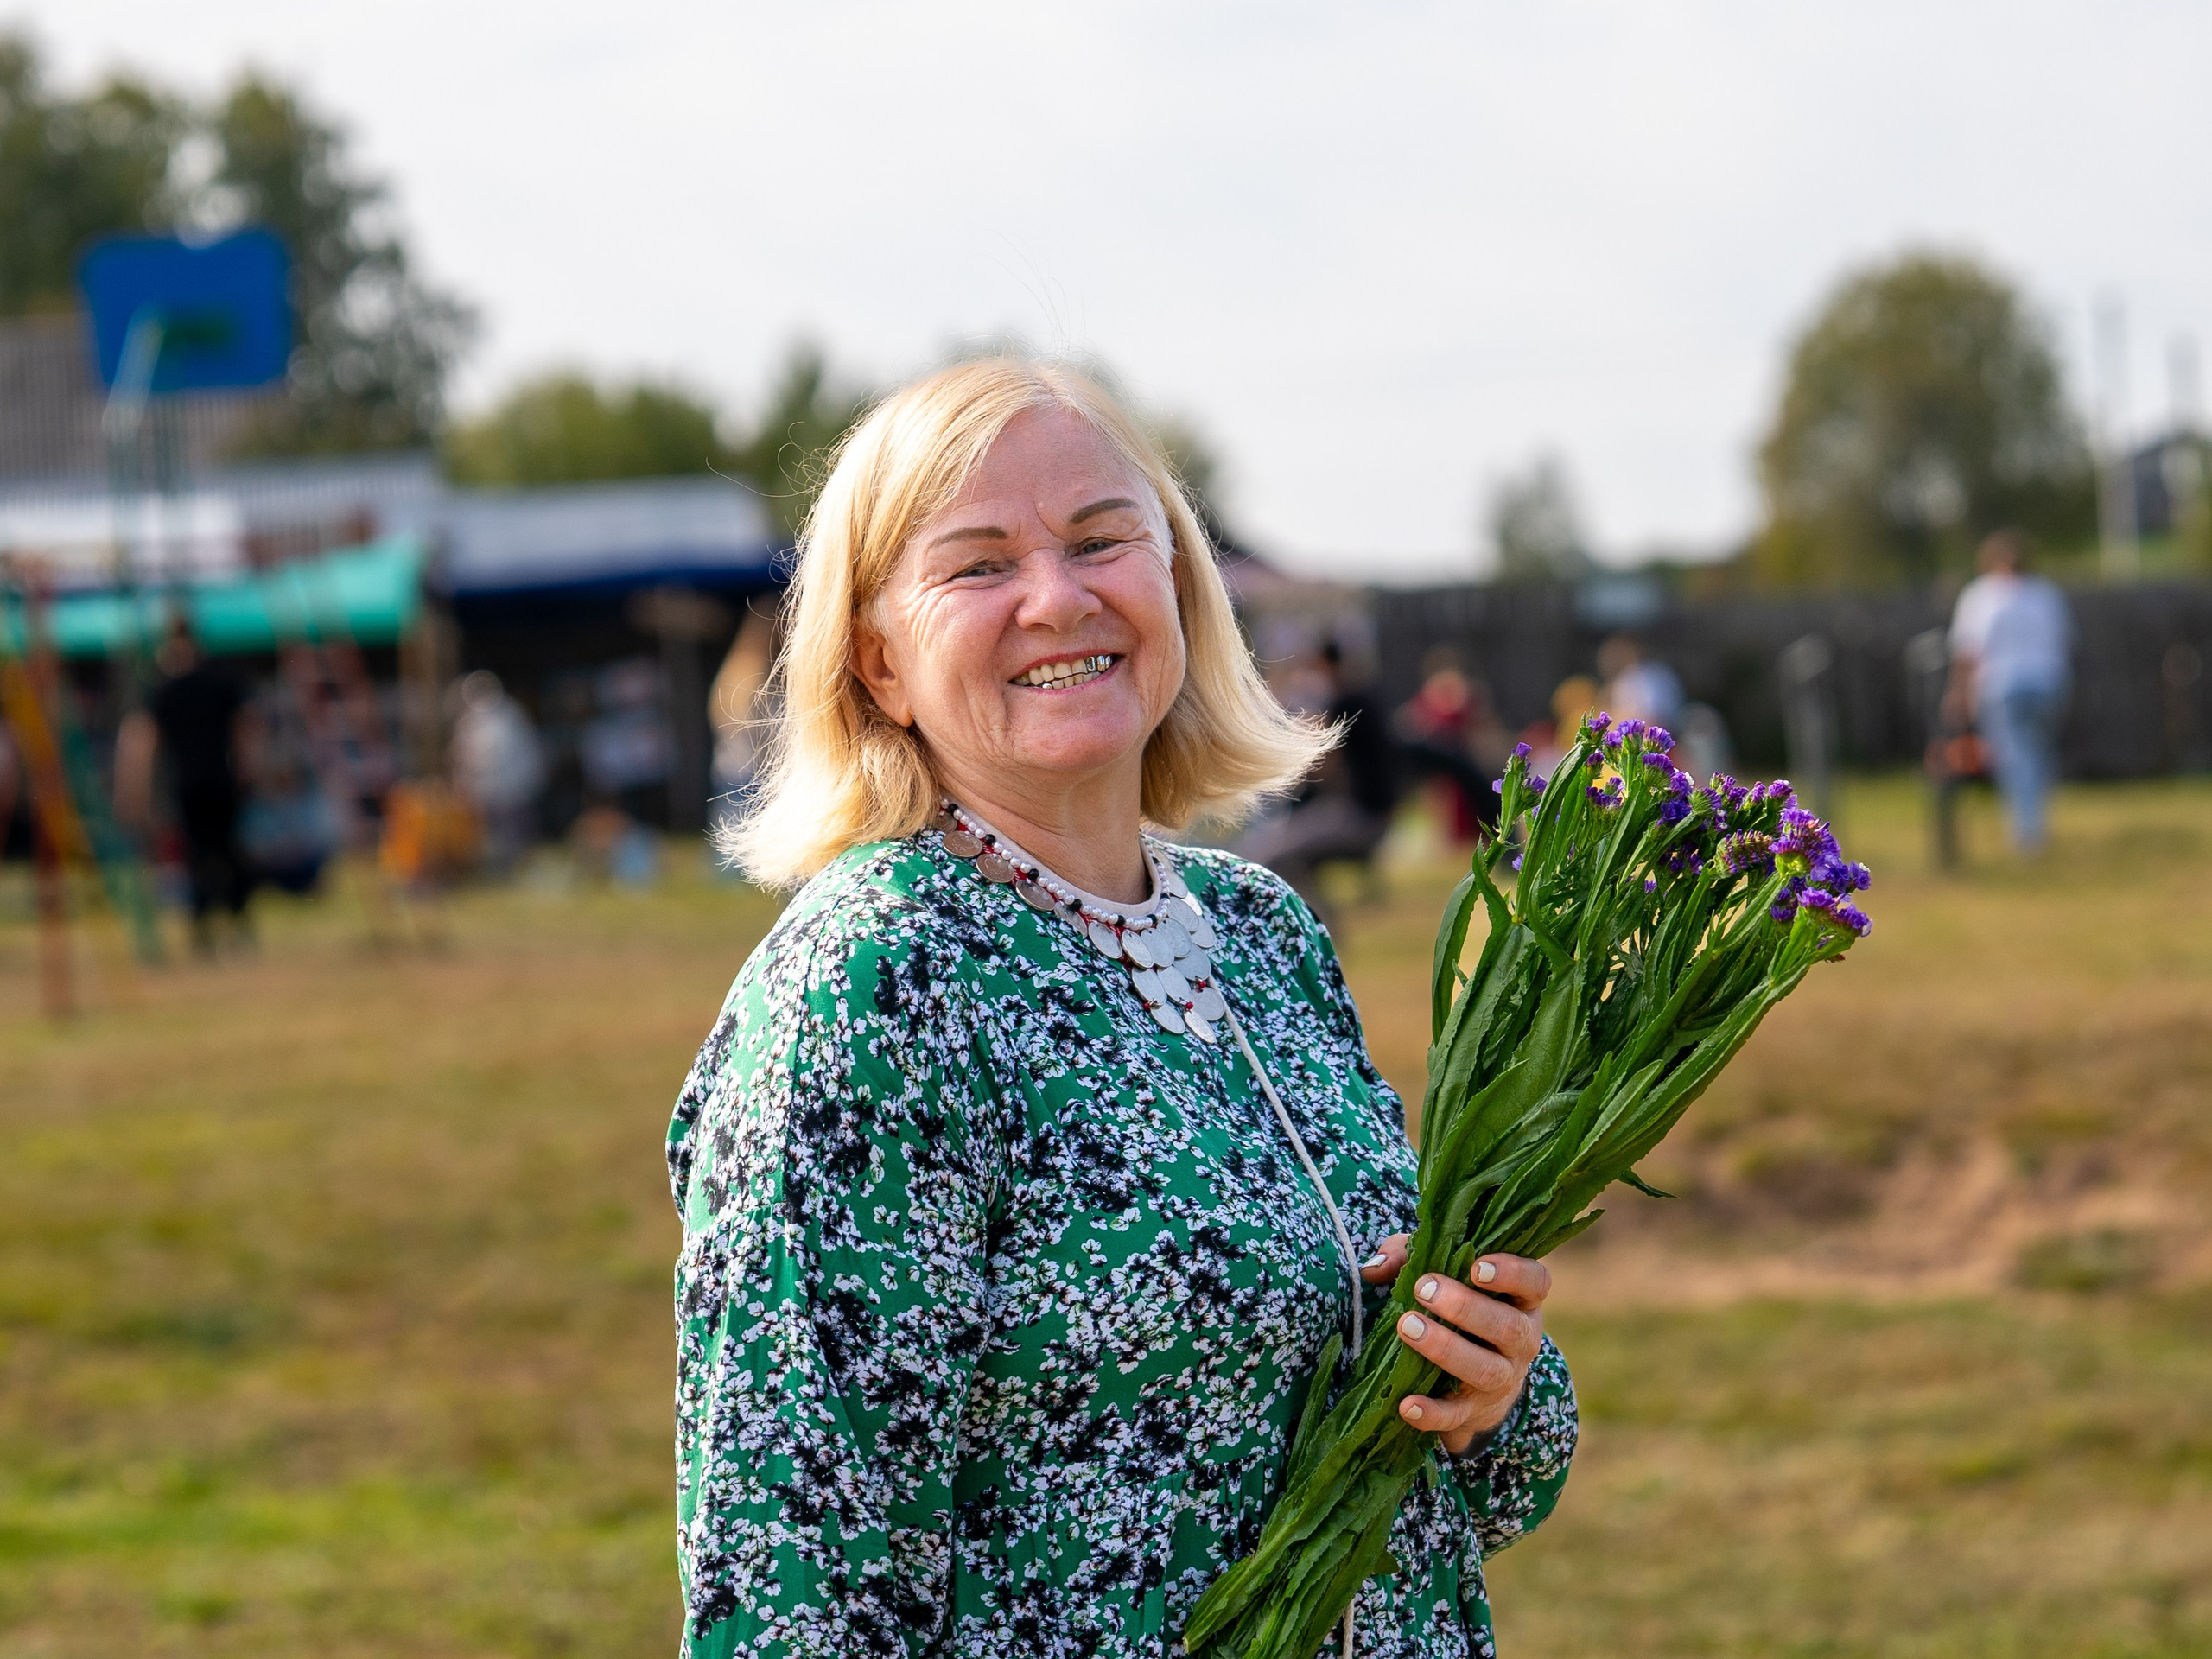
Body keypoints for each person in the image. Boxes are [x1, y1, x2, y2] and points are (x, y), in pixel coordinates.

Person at [670, 361, 1575, 1656]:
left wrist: (1496, 1385)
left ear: (1177, 587)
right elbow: (794, 1584)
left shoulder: (1257, 933)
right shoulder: (874, 981)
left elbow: (1467, 1488)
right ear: (879, 662)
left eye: (1103, 540)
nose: (1058, 596)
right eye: (979, 566)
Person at [1233, 639, 1400, 916]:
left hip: (1360, 817)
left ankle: (1318, 929)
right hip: (1377, 814)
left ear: (1325, 665)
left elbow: (1312, 760)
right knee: (1293, 857)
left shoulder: (1344, 703)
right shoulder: (1367, 697)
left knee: (1271, 855)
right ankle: (1323, 923)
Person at [118, 618, 255, 952]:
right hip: (203, 782)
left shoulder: (180, 686)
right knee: (209, 853)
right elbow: (146, 738)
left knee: (218, 852)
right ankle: (211, 923)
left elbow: (144, 739)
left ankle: (225, 921)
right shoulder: (194, 685)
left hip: (205, 782)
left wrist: (135, 790)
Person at [1945, 531, 2074, 851]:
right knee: (2037, 753)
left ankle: (2027, 833)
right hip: (2048, 683)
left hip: (2000, 686)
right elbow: (2065, 642)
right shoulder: (2046, 594)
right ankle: (2033, 824)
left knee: (2015, 757)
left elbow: (1968, 651)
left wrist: (1958, 694)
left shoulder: (1980, 596)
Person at [448, 670, 545, 872]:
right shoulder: (473, 720)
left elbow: (489, 756)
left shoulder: (506, 716)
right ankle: (501, 866)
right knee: (496, 834)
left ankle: (515, 865)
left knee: (513, 833)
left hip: (510, 787)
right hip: (497, 789)